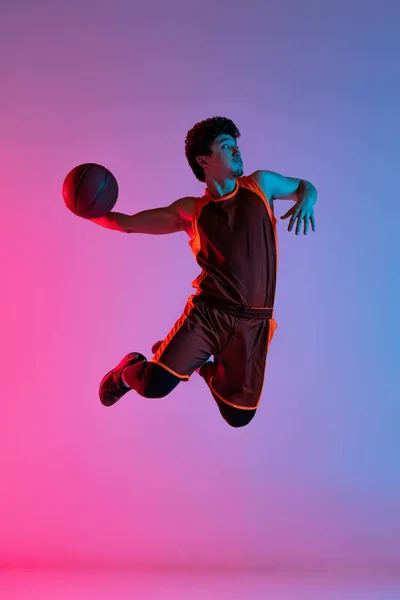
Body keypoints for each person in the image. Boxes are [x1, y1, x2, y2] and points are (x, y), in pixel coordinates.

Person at [90, 117, 317, 427]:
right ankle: (125, 372)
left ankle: (201, 366)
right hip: (210, 315)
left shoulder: (261, 185)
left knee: (238, 416)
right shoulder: (193, 211)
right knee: (152, 385)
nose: (236, 151)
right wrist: (88, 210)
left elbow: (306, 186)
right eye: (226, 146)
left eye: (236, 146)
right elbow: (128, 224)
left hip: (254, 322)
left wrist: (308, 198)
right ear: (203, 160)